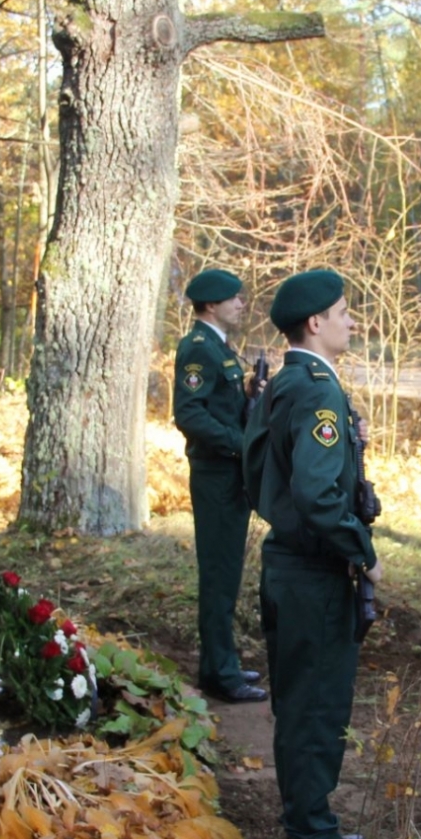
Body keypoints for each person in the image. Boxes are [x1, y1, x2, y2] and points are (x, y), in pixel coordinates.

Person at [242, 268, 383, 839]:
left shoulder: (284, 383)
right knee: (316, 708)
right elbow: (319, 495)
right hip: (314, 572)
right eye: (344, 311)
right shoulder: (317, 391)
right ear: (315, 322)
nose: (352, 321)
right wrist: (362, 550)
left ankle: (310, 827)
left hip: (289, 564)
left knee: (301, 703)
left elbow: (261, 474)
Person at [173, 268, 267, 704]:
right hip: (215, 474)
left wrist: (249, 393)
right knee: (218, 575)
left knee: (226, 574)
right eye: (234, 298)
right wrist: (240, 443)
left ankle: (219, 664)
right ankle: (221, 675)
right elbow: (190, 415)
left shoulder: (219, 347)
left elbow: (219, 405)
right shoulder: (198, 349)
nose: (241, 303)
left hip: (228, 472)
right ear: (211, 305)